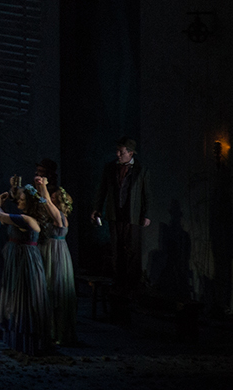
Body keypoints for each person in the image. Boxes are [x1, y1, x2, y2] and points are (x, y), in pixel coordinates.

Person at [92, 137, 150, 324]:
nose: (118, 154)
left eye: (121, 151)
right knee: (117, 250)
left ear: (130, 153)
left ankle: (131, 287)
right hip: (115, 214)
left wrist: (146, 214)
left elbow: (146, 193)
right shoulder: (110, 168)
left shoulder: (140, 169)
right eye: (117, 151)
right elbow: (102, 189)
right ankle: (118, 284)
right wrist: (97, 209)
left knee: (131, 250)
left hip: (132, 216)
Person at [0, 183, 52, 356]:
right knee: (15, 296)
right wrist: (3, 203)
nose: (18, 201)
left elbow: (0, 216)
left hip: (24, 261)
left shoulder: (28, 220)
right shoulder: (23, 218)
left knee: (23, 296)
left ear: (30, 204)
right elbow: (4, 219)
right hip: (18, 259)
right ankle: (16, 342)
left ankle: (27, 342)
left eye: (22, 199)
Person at [34, 176, 76, 345]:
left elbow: (46, 203)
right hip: (47, 250)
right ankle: (47, 329)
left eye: (53, 199)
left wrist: (43, 185)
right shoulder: (52, 216)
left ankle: (57, 331)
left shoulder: (60, 217)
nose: (50, 200)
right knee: (46, 288)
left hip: (56, 253)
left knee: (55, 288)